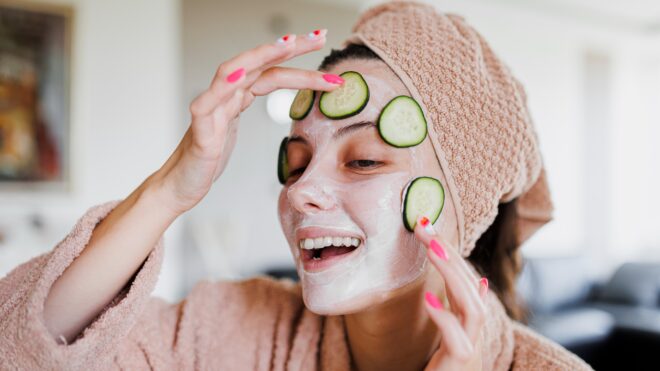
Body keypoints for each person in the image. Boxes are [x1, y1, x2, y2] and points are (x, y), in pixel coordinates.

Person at [0, 1, 593, 370]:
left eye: (363, 161)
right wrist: (169, 190)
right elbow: (27, 354)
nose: (301, 191)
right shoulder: (237, 329)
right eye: (298, 159)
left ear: (464, 200)